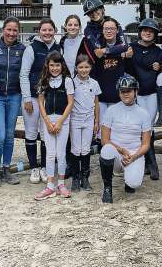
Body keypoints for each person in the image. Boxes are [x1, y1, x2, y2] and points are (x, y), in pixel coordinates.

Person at [0, 16, 25, 188]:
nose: (11, 33)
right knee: (0, 135)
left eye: (15, 30)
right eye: (9, 29)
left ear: (18, 32)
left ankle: (6, 169)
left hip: (15, 95)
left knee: (9, 135)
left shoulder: (22, 49)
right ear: (3, 30)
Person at [99, 74, 152, 204]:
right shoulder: (111, 110)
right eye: (122, 91)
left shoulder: (144, 114)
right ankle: (107, 188)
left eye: (129, 91)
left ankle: (129, 180)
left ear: (136, 91)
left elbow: (146, 144)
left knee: (133, 184)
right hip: (117, 153)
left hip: (134, 153)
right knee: (106, 150)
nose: (126, 94)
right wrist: (121, 150)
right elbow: (104, 139)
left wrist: (134, 156)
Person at [20, 18, 61, 184]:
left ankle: (44, 166)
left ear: (54, 31)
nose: (47, 33)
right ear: (39, 32)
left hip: (49, 98)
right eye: (44, 30)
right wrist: (26, 98)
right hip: (32, 97)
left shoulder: (58, 49)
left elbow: (61, 72)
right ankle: (34, 168)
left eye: (50, 30)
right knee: (31, 132)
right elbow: (23, 74)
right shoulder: (32, 48)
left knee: (46, 134)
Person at [125, 18, 162, 180]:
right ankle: (150, 163)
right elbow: (126, 70)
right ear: (140, 32)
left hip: (152, 93)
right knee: (141, 128)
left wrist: (160, 67)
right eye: (145, 30)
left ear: (154, 34)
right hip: (138, 94)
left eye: (151, 31)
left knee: (148, 128)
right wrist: (126, 57)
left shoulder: (158, 51)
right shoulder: (131, 48)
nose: (148, 33)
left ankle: (150, 162)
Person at [34, 51, 75, 200]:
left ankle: (61, 183)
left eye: (57, 65)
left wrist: (60, 122)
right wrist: (46, 121)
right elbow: (40, 101)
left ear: (61, 65)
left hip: (62, 120)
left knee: (61, 153)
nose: (55, 68)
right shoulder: (44, 80)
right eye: (52, 65)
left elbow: (70, 103)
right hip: (48, 120)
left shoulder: (68, 81)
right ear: (48, 65)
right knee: (50, 153)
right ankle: (50, 185)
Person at [59, 14, 93, 178]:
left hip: (82, 83)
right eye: (69, 24)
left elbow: (91, 61)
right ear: (65, 26)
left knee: (81, 125)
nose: (72, 27)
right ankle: (69, 166)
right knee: (68, 125)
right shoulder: (62, 42)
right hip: (67, 84)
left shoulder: (85, 41)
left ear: (79, 27)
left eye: (75, 25)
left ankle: (83, 167)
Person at [69, 54, 101, 192]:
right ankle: (75, 178)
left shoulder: (94, 83)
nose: (83, 70)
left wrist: (96, 121)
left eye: (86, 67)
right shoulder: (71, 82)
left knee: (86, 149)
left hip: (89, 120)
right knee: (76, 149)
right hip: (75, 119)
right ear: (76, 68)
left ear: (90, 67)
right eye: (80, 67)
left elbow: (96, 103)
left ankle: (85, 178)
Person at [93, 17, 128, 141]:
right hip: (101, 94)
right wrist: (119, 54)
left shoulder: (122, 43)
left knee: (116, 129)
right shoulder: (98, 42)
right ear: (102, 30)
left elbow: (125, 48)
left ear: (117, 30)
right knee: (102, 129)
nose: (109, 31)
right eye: (106, 28)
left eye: (112, 28)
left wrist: (107, 51)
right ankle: (104, 157)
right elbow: (97, 53)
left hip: (116, 95)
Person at [82, 0, 128, 65]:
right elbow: (99, 53)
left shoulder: (114, 23)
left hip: (117, 65)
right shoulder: (88, 30)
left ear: (103, 9)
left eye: (96, 9)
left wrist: (106, 50)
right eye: (90, 12)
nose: (94, 13)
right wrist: (121, 54)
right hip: (99, 67)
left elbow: (124, 45)